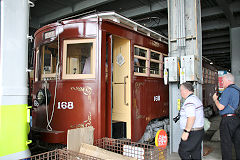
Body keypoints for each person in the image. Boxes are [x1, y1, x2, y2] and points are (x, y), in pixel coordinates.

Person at [212, 73, 240, 160]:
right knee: (238, 143)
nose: (222, 83)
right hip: (237, 119)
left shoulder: (228, 90)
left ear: (228, 80)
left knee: (226, 144)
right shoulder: (238, 90)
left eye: (222, 81)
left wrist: (215, 100)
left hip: (227, 120)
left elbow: (221, 106)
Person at [178, 82, 204, 159]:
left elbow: (191, 117)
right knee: (195, 153)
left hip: (192, 132)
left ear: (186, 91)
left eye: (181, 90)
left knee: (183, 151)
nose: (180, 93)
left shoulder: (189, 101)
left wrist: (186, 132)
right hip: (198, 131)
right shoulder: (195, 99)